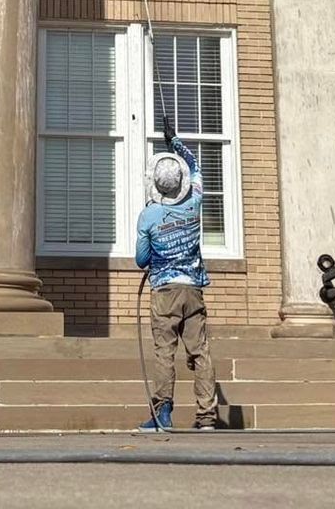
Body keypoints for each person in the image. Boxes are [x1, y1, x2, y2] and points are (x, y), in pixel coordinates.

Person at [134, 111, 219, 431]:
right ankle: (207, 416)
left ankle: (163, 413)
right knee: (200, 352)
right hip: (193, 289)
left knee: (164, 352)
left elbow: (141, 259)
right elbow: (196, 167)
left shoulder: (149, 216)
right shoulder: (194, 202)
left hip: (164, 292)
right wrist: (175, 142)